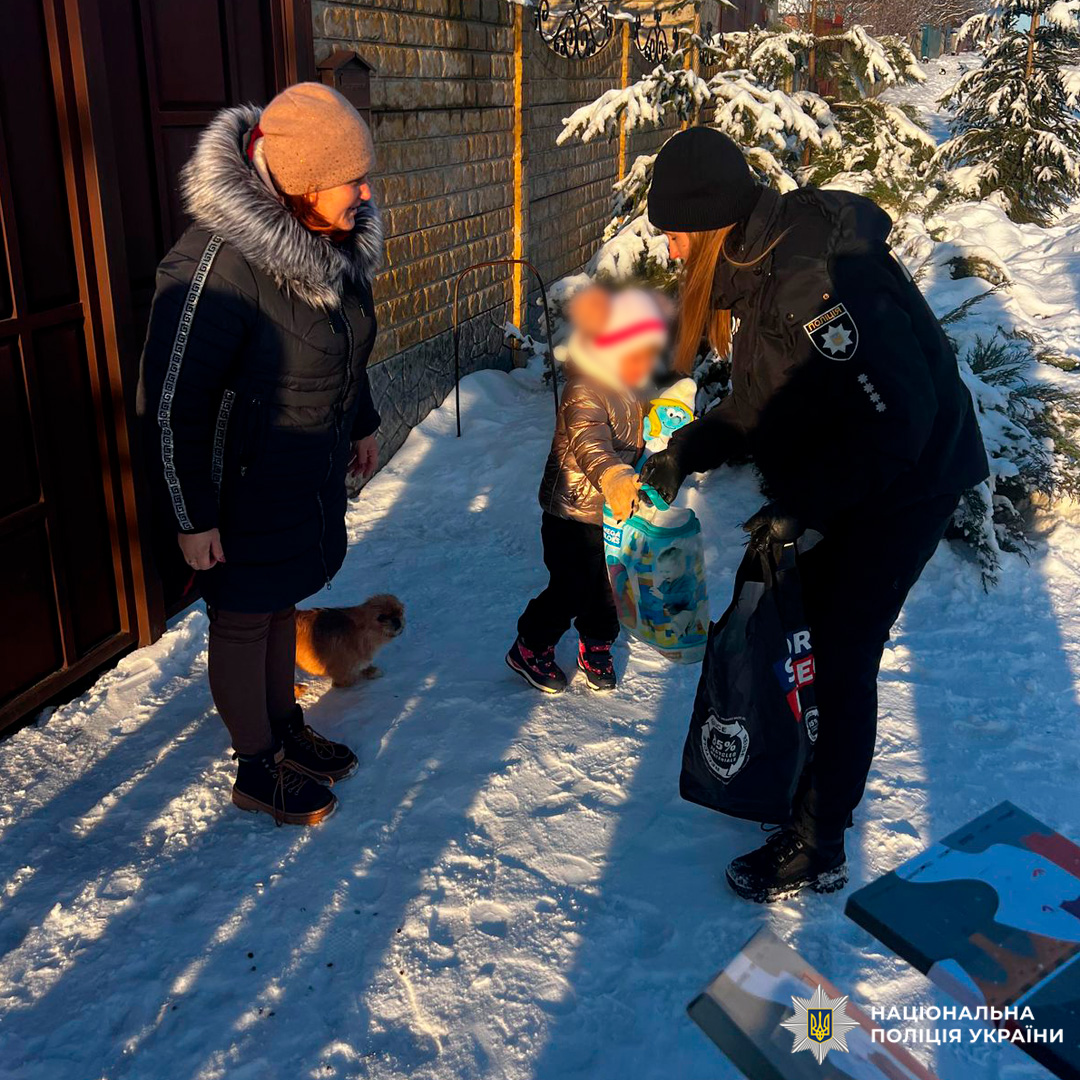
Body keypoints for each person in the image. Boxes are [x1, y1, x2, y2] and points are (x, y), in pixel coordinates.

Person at [641, 127, 989, 902]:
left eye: (671, 232)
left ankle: (818, 841)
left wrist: (801, 507)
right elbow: (768, 397)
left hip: (910, 480)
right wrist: (691, 449)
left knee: (841, 650)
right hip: (861, 470)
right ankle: (804, 790)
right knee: (809, 641)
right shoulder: (763, 268)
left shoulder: (809, 277)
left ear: (707, 226)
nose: (664, 248)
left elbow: (900, 418)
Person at [137, 83, 384, 826]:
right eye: (354, 178)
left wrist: (363, 422)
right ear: (304, 180)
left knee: (282, 605)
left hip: (299, 477)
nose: (368, 193)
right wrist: (192, 516)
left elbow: (347, 349)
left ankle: (283, 732)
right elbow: (171, 402)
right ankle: (255, 767)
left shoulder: (330, 242)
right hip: (238, 492)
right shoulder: (211, 269)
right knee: (245, 618)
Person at [507, 288, 669, 694]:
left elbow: (631, 442)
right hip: (571, 514)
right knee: (572, 586)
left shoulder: (632, 392)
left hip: (611, 514)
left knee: (609, 585)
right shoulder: (585, 390)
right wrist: (614, 476)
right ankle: (530, 644)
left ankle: (597, 644)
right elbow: (590, 443)